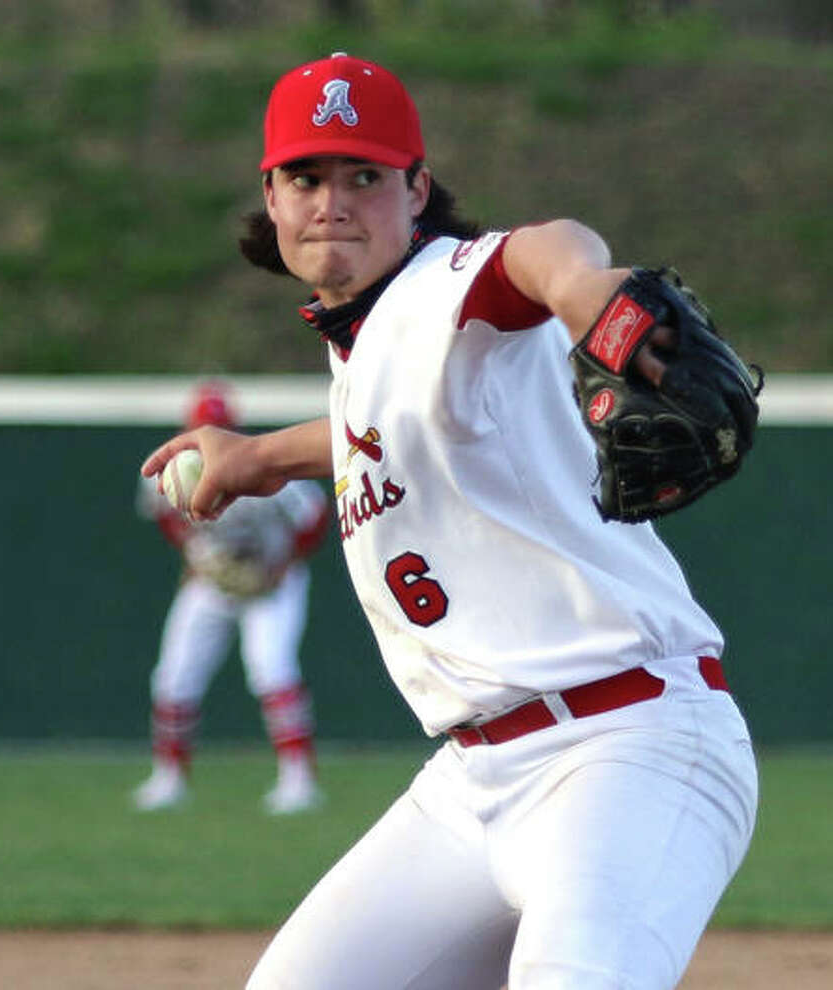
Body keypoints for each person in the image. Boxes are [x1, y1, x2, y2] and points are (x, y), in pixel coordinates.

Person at [143, 53, 758, 990]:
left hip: (628, 749)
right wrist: (260, 456)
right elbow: (377, 433)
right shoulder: (371, 344)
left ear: (417, 191)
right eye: (306, 177)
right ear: (270, 198)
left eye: (365, 177)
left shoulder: (443, 285)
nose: (333, 202)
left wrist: (586, 293)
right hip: (472, 786)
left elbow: (544, 248)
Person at [133, 381, 331, 815]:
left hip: (270, 581)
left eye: (217, 425)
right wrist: (191, 553)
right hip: (211, 581)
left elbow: (314, 517)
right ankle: (169, 778)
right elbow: (164, 516)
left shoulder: (256, 466)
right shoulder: (169, 470)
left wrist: (285, 565)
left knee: (272, 672)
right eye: (203, 424)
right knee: (173, 676)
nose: (210, 431)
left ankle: (299, 780)